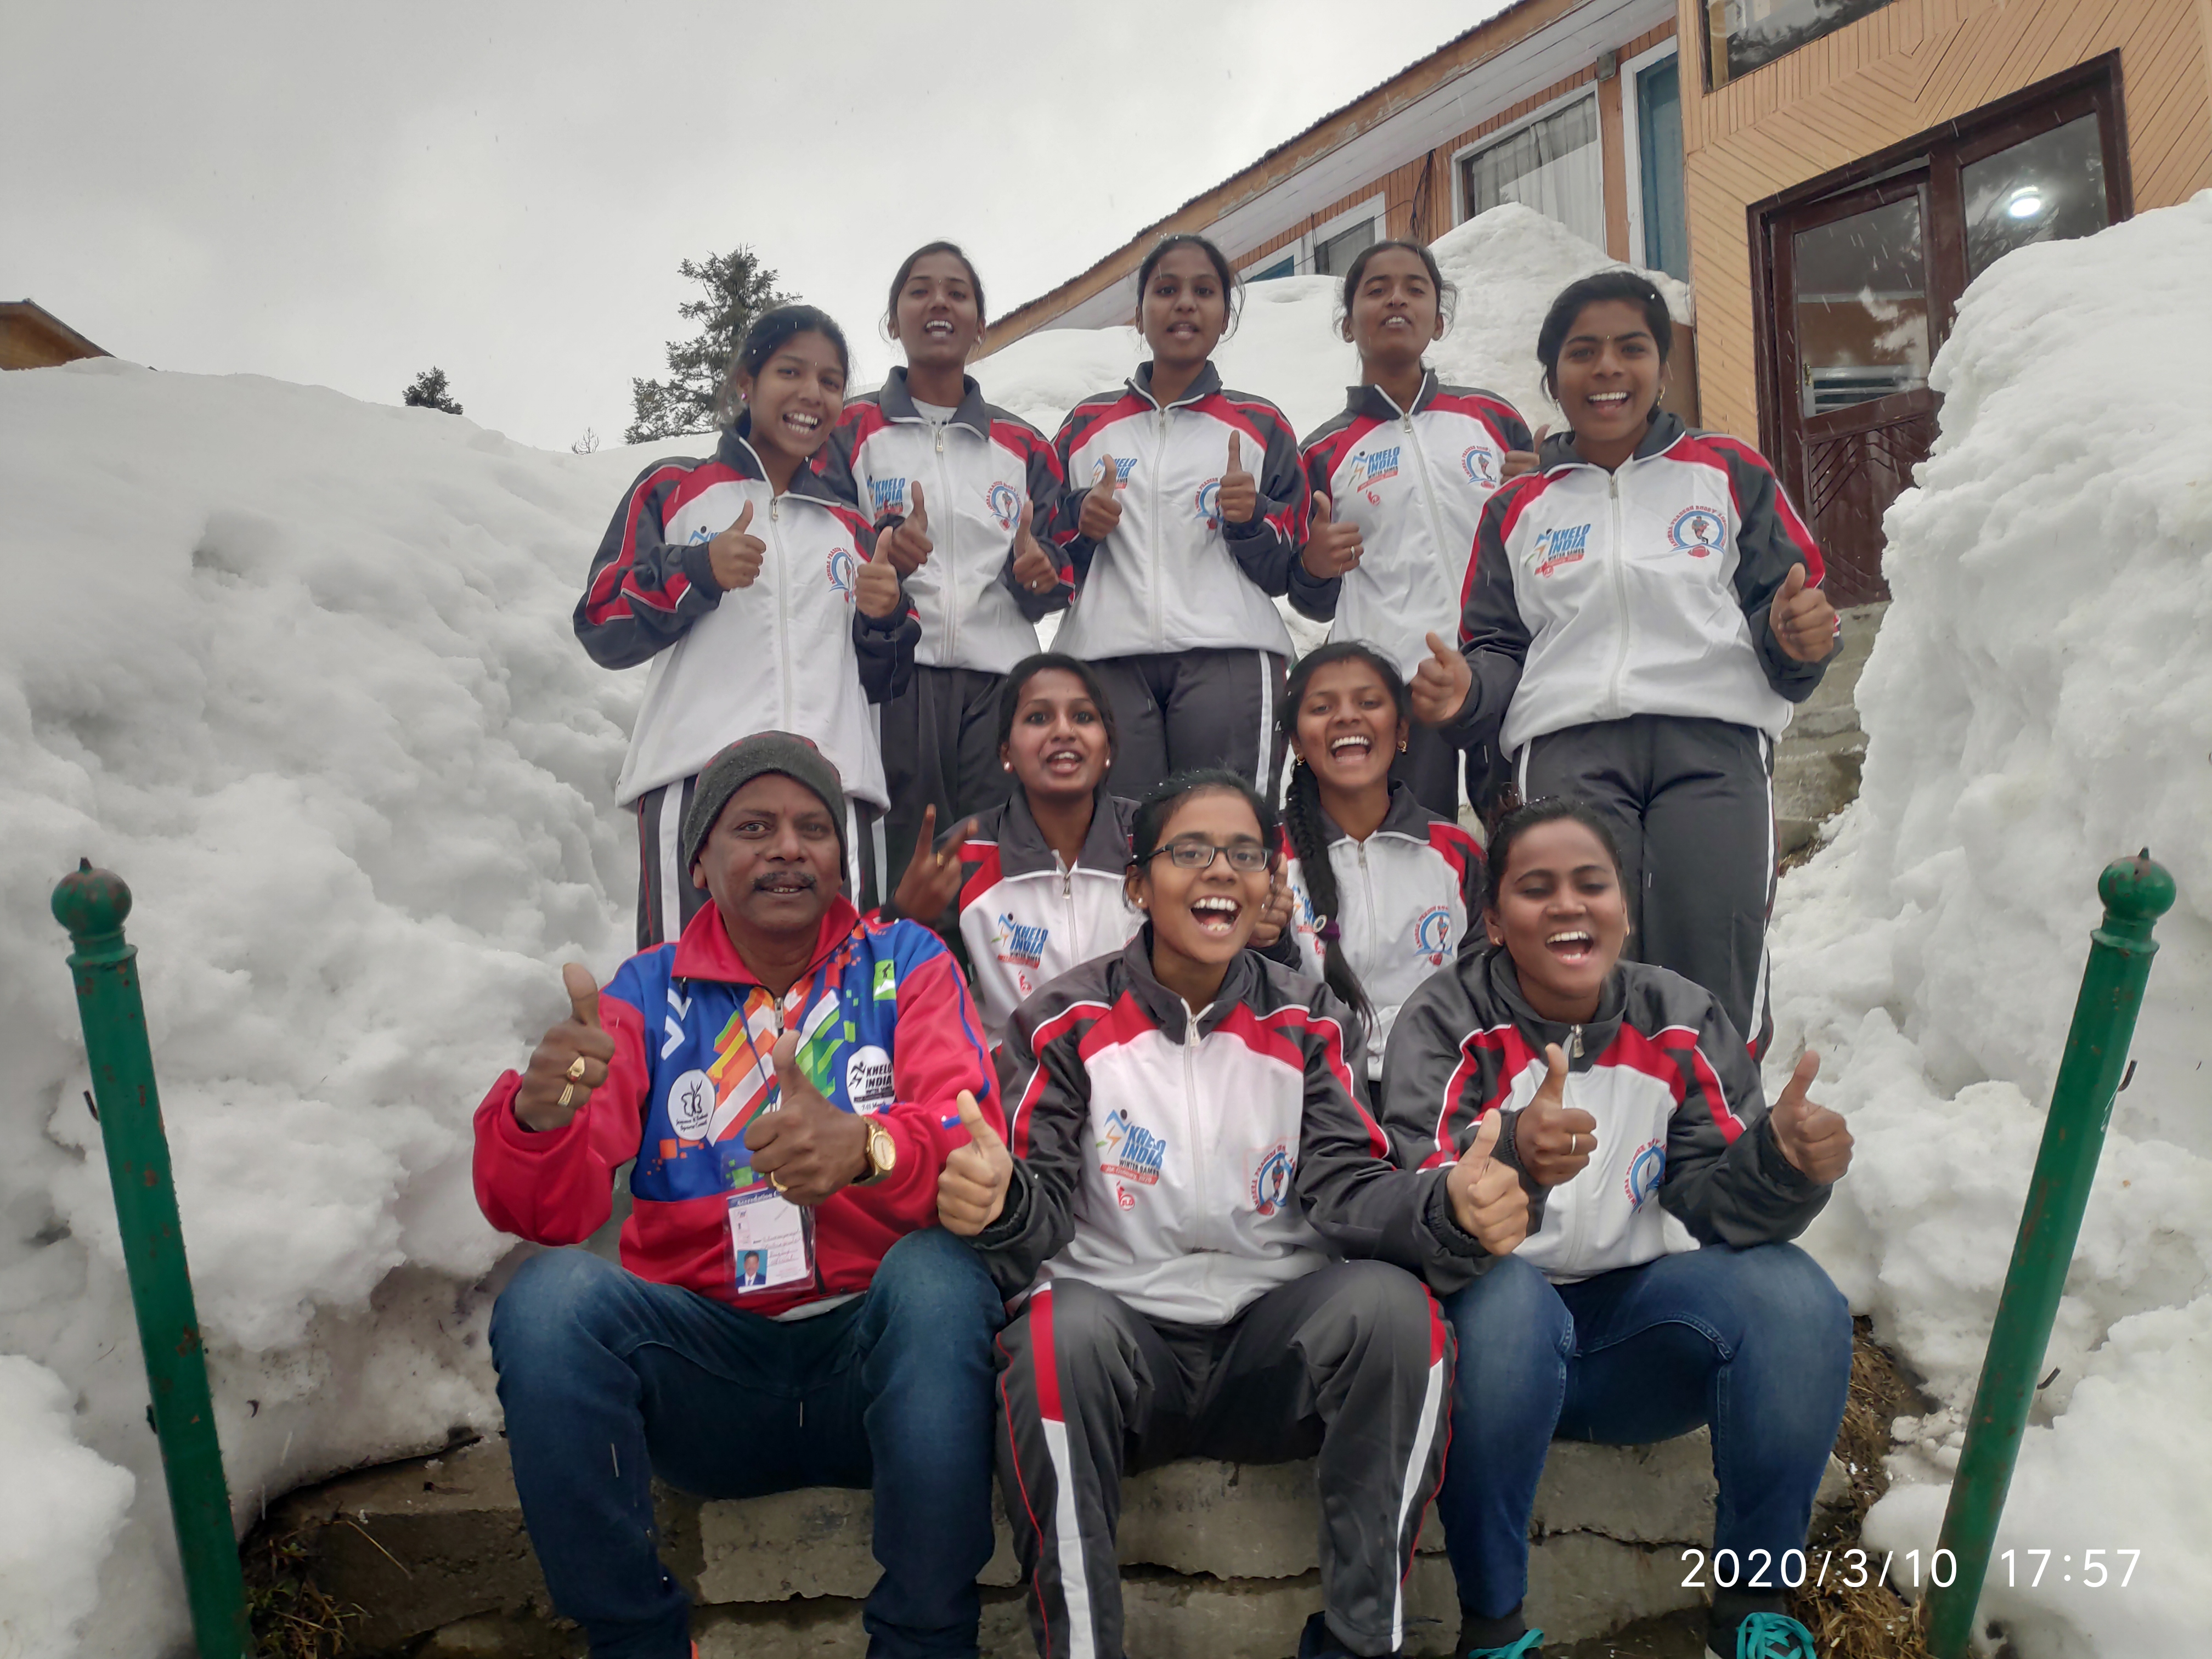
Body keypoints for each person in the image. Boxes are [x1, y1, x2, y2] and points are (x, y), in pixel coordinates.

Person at [943, 769, 1531, 1659]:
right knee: (1052, 1334)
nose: (1219, 870)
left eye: (1244, 852)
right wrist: (997, 1204)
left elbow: (1346, 1187)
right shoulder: (1065, 1019)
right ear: (1137, 884)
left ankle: (1359, 1638)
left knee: (1401, 1315)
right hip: (1121, 1350)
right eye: (1189, 850)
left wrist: (1440, 1201)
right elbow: (1042, 1210)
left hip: (1271, 1347)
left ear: (1266, 882)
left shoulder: (1305, 1016)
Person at [474, 732, 1005, 1659]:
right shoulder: (644, 990)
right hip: (706, 1373)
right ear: (701, 861)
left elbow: (971, 1140)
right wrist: (537, 1116)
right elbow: (545, 1215)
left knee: (940, 1274)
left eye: (812, 827)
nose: (787, 847)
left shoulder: (905, 962)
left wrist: (871, 1145)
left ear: (842, 859)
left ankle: (925, 1640)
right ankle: (636, 1639)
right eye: (753, 826)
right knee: (550, 1298)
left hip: (871, 1370)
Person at [1378, 798, 1855, 1659]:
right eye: (1536, 888)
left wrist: (1782, 1163)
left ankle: (1753, 1615)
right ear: (1493, 917)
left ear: (1625, 908)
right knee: (1508, 1297)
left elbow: (1714, 1201)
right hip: (1488, 1347)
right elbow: (1419, 1202)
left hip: (1627, 1339)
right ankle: (1493, 1628)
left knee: (1794, 1296)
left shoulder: (1679, 1018)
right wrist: (1516, 1159)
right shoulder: (1446, 1023)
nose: (1568, 905)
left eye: (1591, 884)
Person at [1409, 270, 1839, 1057]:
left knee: (1717, 937)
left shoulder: (1730, 472)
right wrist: (1469, 689)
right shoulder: (1518, 507)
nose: (1608, 368)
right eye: (1583, 352)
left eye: (1631, 348)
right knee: (1584, 955)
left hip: (1713, 743)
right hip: (1569, 751)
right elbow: (1500, 646)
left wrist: (1797, 636)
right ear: (1553, 379)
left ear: (1663, 370)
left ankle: (1717, 1138)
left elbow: (1788, 604)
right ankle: (1598, 1144)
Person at [576, 304, 917, 946]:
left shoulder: (853, 527)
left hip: (835, 794)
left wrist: (885, 617)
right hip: (695, 786)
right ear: (746, 382)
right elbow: (603, 620)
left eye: (831, 380)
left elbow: (888, 677)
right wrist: (696, 569)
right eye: (791, 370)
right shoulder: (674, 489)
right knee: (687, 997)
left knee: (836, 1006)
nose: (811, 394)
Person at [823, 241, 1073, 881]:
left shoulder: (1022, 446)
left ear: (980, 323)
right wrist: (880, 558)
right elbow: (819, 549)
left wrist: (1039, 577)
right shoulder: (849, 431)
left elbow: (1057, 572)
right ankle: (902, 982)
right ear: (892, 320)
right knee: (902, 868)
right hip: (897, 680)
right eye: (921, 290)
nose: (940, 302)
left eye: (958, 292)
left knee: (996, 865)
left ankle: (992, 984)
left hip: (1002, 682)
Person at [1049, 234, 1321, 799]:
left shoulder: (1260, 423)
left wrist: (1252, 520)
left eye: (1204, 291)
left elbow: (1288, 564)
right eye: (1166, 289)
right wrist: (1081, 519)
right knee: (1119, 845)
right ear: (1140, 314)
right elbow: (1042, 547)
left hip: (1232, 660)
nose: (1185, 304)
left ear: (1225, 315)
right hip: (1105, 663)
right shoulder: (1085, 426)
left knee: (1229, 835)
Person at [1295, 240, 1536, 820]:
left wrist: (1539, 494)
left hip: (1505, 672)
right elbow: (1312, 599)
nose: (1396, 298)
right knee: (1415, 852)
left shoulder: (1494, 420)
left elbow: (1548, 552)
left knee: (1525, 846)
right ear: (1348, 324)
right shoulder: (1323, 452)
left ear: (1440, 319)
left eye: (1414, 288)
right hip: (1399, 684)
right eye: (1376, 289)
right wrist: (1314, 565)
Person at [883, 651, 1142, 1043]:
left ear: (1108, 746)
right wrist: (901, 919)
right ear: (1006, 752)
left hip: (1135, 1084)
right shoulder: (964, 855)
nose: (1063, 731)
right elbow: (898, 997)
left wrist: (1269, 929)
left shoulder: (1156, 842)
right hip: (1007, 1091)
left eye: (1083, 717)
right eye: (1038, 717)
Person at [1266, 642, 1483, 1101]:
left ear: (1402, 730)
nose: (1347, 717)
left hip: (1441, 1093)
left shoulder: (1456, 854)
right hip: (1310, 1096)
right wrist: (1265, 941)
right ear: (1297, 743)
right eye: (1322, 707)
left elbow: (1489, 985)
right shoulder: (1266, 857)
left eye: (1369, 703)